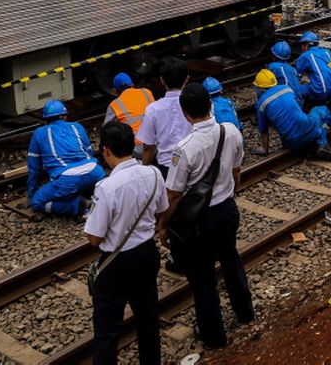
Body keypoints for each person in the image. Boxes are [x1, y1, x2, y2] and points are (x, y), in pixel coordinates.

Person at [162, 84, 255, 349]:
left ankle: (214, 335)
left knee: (202, 277)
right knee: (230, 259)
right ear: (210, 105)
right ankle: (245, 311)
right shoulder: (231, 131)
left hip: (199, 222)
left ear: (185, 113)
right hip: (226, 211)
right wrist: (229, 194)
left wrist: (163, 225)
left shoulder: (184, 148)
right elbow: (237, 171)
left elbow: (174, 195)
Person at [85, 122, 168, 365]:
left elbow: (94, 238)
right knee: (147, 317)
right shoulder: (153, 173)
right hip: (146, 253)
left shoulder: (106, 187)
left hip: (116, 264)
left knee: (107, 328)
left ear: (106, 150)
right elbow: (162, 209)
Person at [27, 100, 105, 216]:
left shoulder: (39, 133)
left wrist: (32, 194)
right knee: (80, 185)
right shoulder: (77, 127)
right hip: (95, 171)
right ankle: (93, 194)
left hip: (68, 179)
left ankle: (79, 205)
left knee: (37, 203)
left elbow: (34, 168)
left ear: (45, 119)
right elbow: (89, 152)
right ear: (64, 116)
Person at [252, 70, 331, 160]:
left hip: (291, 142)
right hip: (309, 130)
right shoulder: (286, 88)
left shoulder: (261, 104)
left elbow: (263, 130)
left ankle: (311, 148)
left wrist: (265, 150)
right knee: (320, 110)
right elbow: (298, 106)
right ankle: (322, 144)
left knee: (297, 134)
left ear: (260, 87)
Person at [137, 57, 193, 178]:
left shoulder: (153, 109)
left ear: (162, 80)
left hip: (167, 167)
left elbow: (148, 147)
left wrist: (145, 171)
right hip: (195, 161)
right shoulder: (194, 101)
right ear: (187, 79)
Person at [104, 72, 155, 140]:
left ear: (115, 91)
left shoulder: (114, 104)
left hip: (136, 143)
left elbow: (105, 129)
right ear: (132, 85)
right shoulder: (146, 92)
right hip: (156, 138)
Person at [295, 30, 331, 108]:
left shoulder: (305, 56)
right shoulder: (327, 51)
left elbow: (297, 76)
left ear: (306, 45)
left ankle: (304, 106)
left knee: (295, 88)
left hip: (319, 92)